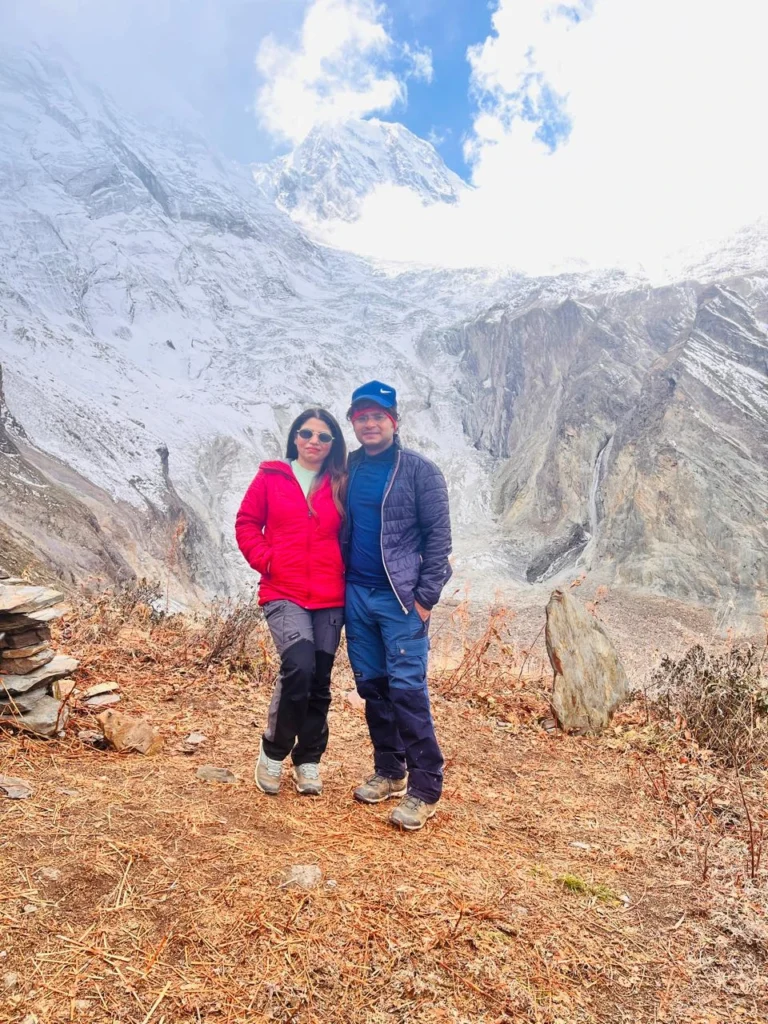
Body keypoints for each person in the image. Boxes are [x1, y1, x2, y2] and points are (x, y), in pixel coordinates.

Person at [342, 381, 452, 831]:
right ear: (353, 422)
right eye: (361, 417)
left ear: (394, 422)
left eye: (378, 416)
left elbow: (440, 540)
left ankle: (425, 789)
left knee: (408, 691)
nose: (369, 424)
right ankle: (390, 771)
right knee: (373, 687)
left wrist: (425, 600)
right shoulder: (347, 467)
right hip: (356, 595)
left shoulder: (420, 472)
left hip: (401, 601)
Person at [235, 409, 347, 797]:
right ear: (295, 438)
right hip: (284, 591)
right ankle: (273, 750)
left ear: (334, 444)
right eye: (306, 433)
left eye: (324, 436)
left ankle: (309, 760)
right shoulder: (271, 476)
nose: (314, 441)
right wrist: (267, 561)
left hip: (331, 596)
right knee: (298, 666)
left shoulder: (340, 481)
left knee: (320, 679)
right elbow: (247, 523)